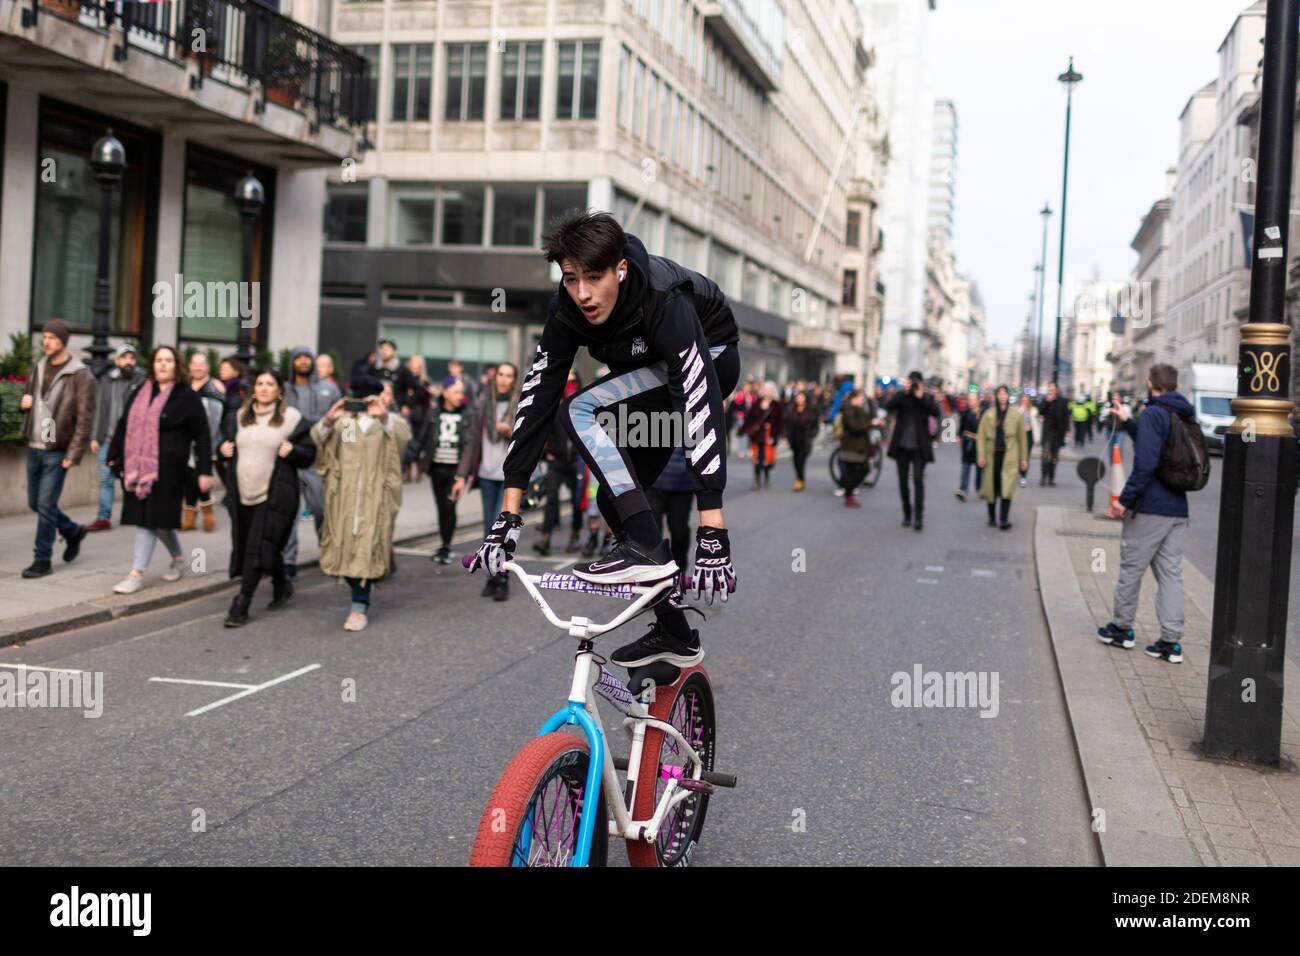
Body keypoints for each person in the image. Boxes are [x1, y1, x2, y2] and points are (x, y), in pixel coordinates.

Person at [465, 210, 741, 669]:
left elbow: (696, 399)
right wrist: (508, 515)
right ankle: (676, 633)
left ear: (621, 269)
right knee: (621, 503)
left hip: (710, 359)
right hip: (650, 375)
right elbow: (536, 399)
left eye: (594, 278)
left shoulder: (662, 298)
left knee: (582, 408)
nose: (584, 294)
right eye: (571, 279)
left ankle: (651, 555)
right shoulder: (566, 308)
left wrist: (713, 532)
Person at [1097, 365, 1194, 664]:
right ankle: (1170, 643)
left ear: (1151, 383)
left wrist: (1123, 501)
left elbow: (1146, 463)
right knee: (1171, 575)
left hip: (1151, 508)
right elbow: (1159, 448)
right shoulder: (1183, 414)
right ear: (1174, 385)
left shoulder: (1154, 413)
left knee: (1131, 569)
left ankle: (1121, 629)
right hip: (1178, 507)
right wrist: (1128, 423)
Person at [106, 345, 212, 594]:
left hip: (170, 470)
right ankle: (179, 559)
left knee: (149, 520)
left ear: (177, 365)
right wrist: (114, 455)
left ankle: (136, 574)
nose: (163, 364)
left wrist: (205, 471)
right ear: (153, 365)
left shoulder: (186, 396)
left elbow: (203, 436)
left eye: (168, 360)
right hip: (139, 467)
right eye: (159, 360)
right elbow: (124, 425)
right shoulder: (141, 391)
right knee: (157, 520)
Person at [218, 369, 314, 626]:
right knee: (265, 550)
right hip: (242, 493)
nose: (263, 388)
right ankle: (282, 583)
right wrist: (223, 449)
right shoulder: (240, 417)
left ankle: (241, 605)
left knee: (255, 550)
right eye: (259, 383)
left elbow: (309, 454)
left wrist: (293, 450)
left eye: (270, 384)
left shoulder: (290, 418)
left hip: (274, 495)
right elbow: (226, 445)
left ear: (279, 390)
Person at [312, 382, 411, 632]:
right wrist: (328, 419)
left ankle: (359, 605)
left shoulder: (389, 423)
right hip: (344, 498)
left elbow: (403, 442)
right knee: (343, 545)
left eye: (372, 398)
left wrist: (384, 416)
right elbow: (319, 441)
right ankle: (357, 588)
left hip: (374, 497)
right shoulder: (345, 423)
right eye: (362, 398)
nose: (366, 403)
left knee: (368, 545)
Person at [19, 318, 96, 578]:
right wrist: (25, 405)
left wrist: (73, 454)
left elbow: (85, 419)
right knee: (35, 503)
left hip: (57, 449)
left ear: (63, 340)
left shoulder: (80, 374)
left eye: (51, 338)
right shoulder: (38, 367)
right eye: (44, 337)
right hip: (35, 444)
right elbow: (34, 404)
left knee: (45, 505)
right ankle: (73, 531)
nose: (46, 342)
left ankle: (42, 560)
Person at [460, 361, 519, 601]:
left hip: (508, 479)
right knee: (488, 531)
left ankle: (503, 579)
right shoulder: (483, 402)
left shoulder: (520, 404)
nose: (504, 379)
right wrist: (462, 473)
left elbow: (529, 440)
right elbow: (473, 439)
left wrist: (510, 432)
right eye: (501, 375)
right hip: (486, 475)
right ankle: (491, 576)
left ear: (514, 380)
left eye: (509, 376)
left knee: (501, 533)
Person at [283, 345, 341, 580]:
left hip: (317, 459)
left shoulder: (329, 389)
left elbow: (341, 422)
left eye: (308, 357)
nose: (304, 361)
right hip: (289, 458)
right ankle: (288, 561)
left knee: (320, 510)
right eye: (299, 357)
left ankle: (328, 553)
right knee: (288, 513)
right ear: (293, 362)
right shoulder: (284, 390)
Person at [412, 377, 474, 565]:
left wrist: (464, 473)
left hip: (455, 471)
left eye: (461, 392)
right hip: (436, 468)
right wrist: (408, 459)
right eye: (456, 392)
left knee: (449, 506)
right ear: (445, 392)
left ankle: (447, 546)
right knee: (441, 508)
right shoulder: (433, 414)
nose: (459, 396)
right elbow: (421, 439)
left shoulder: (466, 415)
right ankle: (444, 544)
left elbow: (469, 446)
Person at [88, 344, 144, 533]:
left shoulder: (141, 380)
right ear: (117, 361)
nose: (128, 362)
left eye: (131, 358)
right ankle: (103, 518)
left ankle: (135, 514)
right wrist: (96, 437)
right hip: (108, 439)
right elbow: (99, 409)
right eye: (124, 358)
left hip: (132, 441)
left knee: (131, 479)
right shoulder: (106, 381)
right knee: (106, 479)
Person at [532, 370, 585, 556]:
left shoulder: (583, 406)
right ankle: (546, 538)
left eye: (573, 382)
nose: (570, 386)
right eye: (567, 382)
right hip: (558, 461)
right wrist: (547, 452)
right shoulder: (556, 407)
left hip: (576, 462)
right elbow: (546, 432)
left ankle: (574, 535)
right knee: (551, 498)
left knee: (577, 501)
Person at [885, 370, 941, 531]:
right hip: (902, 446)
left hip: (920, 447)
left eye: (917, 382)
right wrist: (903, 391)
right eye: (913, 381)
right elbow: (889, 407)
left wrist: (920, 395)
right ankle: (907, 513)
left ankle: (918, 517)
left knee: (918, 481)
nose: (915, 384)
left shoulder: (925, 397)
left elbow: (936, 412)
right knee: (903, 482)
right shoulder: (902, 396)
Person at [183, 352, 225, 533]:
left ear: (207, 367)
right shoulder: (185, 386)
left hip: (206, 441)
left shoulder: (214, 388)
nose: (198, 368)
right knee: (189, 479)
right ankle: (191, 517)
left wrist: (213, 443)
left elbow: (217, 419)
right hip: (186, 442)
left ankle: (207, 515)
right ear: (190, 366)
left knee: (201, 479)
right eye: (195, 364)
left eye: (201, 364)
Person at [976, 385, 1026, 531]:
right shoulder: (989, 414)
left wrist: (1023, 459)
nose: (1002, 396)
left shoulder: (1016, 415)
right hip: (992, 456)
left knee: (1007, 488)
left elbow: (1022, 438)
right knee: (992, 487)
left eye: (1005, 393)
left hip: (1009, 456)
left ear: (1008, 396)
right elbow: (981, 437)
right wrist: (981, 456)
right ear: (996, 396)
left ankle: (1003, 519)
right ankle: (992, 517)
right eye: (1000, 393)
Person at [646, 446, 694, 571]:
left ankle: (679, 568)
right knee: (652, 534)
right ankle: (655, 572)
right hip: (652, 484)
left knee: (679, 533)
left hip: (682, 486)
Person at [833, 389, 872, 508]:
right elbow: (854, 427)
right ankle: (848, 493)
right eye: (861, 397)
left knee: (862, 470)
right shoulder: (849, 409)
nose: (863, 400)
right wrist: (870, 423)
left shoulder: (860, 409)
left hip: (860, 445)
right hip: (851, 445)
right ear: (854, 398)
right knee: (853, 472)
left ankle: (848, 491)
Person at [401, 354, 435, 479]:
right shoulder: (406, 381)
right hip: (409, 415)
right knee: (408, 441)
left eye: (417, 363)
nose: (415, 366)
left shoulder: (425, 381)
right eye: (412, 363)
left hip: (422, 416)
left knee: (419, 442)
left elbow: (430, 397)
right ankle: (408, 469)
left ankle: (419, 467)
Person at [744, 381, 782, 489]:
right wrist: (746, 430)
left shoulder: (776, 404)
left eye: (768, 389)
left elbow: (779, 422)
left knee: (767, 458)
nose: (766, 391)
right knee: (756, 458)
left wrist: (776, 436)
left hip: (769, 435)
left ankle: (766, 477)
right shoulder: (757, 403)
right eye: (765, 389)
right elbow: (749, 417)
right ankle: (756, 480)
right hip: (757, 435)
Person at [1037, 381, 1070, 486]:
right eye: (1049, 389)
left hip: (1058, 433)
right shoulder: (1045, 400)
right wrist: (1047, 402)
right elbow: (1041, 412)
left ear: (1056, 390)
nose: (1051, 391)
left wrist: (1067, 430)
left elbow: (1066, 417)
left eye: (1052, 389)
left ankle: (1051, 478)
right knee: (1045, 456)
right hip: (1047, 433)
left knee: (1054, 457)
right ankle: (1043, 477)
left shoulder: (1063, 401)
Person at [785, 388, 818, 492]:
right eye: (798, 397)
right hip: (794, 438)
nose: (799, 399)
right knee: (795, 460)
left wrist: (812, 435)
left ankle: (800, 479)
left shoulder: (811, 410)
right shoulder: (791, 409)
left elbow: (815, 425)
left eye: (801, 397)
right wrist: (786, 435)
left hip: (805, 439)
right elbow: (787, 424)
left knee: (801, 460)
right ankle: (800, 478)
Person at [955, 394, 980, 502]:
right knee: (966, 466)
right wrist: (958, 436)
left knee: (980, 468)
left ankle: (980, 489)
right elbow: (961, 426)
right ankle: (963, 489)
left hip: (979, 444)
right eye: (970, 400)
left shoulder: (983, 413)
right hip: (968, 443)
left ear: (978, 401)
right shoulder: (965, 413)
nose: (971, 402)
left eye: (973, 400)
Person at [1017, 391, 1037, 488]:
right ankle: (1019, 471)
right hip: (1020, 435)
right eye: (1023, 398)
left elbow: (1036, 425)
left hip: (1029, 435)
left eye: (1026, 398)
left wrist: (1037, 437)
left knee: (1026, 457)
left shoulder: (1033, 410)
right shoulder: (1018, 410)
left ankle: (1023, 477)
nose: (1025, 400)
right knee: (1019, 456)